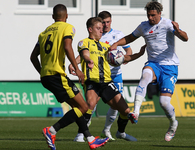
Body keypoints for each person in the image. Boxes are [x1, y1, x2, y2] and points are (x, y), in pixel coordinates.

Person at [30, 4, 109, 150]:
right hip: (57, 75)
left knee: (76, 107)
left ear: (53, 17)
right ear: (66, 16)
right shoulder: (68, 27)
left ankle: (90, 139)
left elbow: (33, 57)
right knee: (84, 107)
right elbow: (67, 46)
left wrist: (42, 72)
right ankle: (52, 130)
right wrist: (78, 69)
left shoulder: (43, 33)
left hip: (46, 76)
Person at [109, 1, 188, 142]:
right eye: (148, 15)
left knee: (164, 102)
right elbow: (130, 37)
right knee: (145, 76)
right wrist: (116, 44)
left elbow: (185, 38)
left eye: (153, 15)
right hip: (153, 64)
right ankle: (136, 112)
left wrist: (178, 30)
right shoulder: (143, 26)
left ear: (159, 14)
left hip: (169, 67)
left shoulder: (168, 24)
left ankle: (173, 123)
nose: (150, 18)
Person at [71, 16, 146, 144]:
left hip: (107, 82)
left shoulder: (106, 47)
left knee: (125, 111)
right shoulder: (84, 42)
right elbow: (85, 54)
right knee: (90, 105)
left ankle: (120, 132)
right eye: (98, 28)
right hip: (92, 81)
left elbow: (124, 58)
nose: (102, 30)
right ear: (90, 29)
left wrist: (139, 54)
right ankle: (80, 134)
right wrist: (84, 61)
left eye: (102, 28)